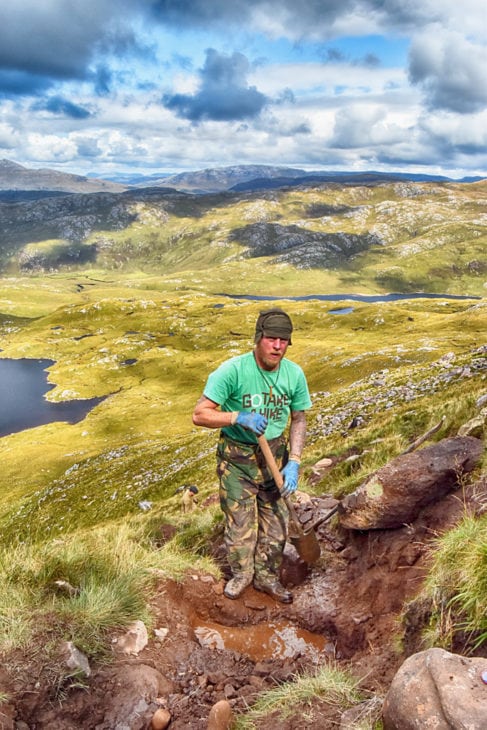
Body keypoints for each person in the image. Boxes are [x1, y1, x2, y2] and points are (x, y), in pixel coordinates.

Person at [192, 308, 312, 603]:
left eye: (284, 340)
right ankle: (242, 575)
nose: (277, 346)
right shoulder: (232, 371)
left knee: (276, 524)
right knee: (240, 526)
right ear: (259, 338)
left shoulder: (294, 374)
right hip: (238, 459)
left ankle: (267, 577)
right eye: (271, 338)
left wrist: (294, 462)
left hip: (276, 458)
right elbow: (200, 414)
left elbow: (299, 418)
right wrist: (236, 417)